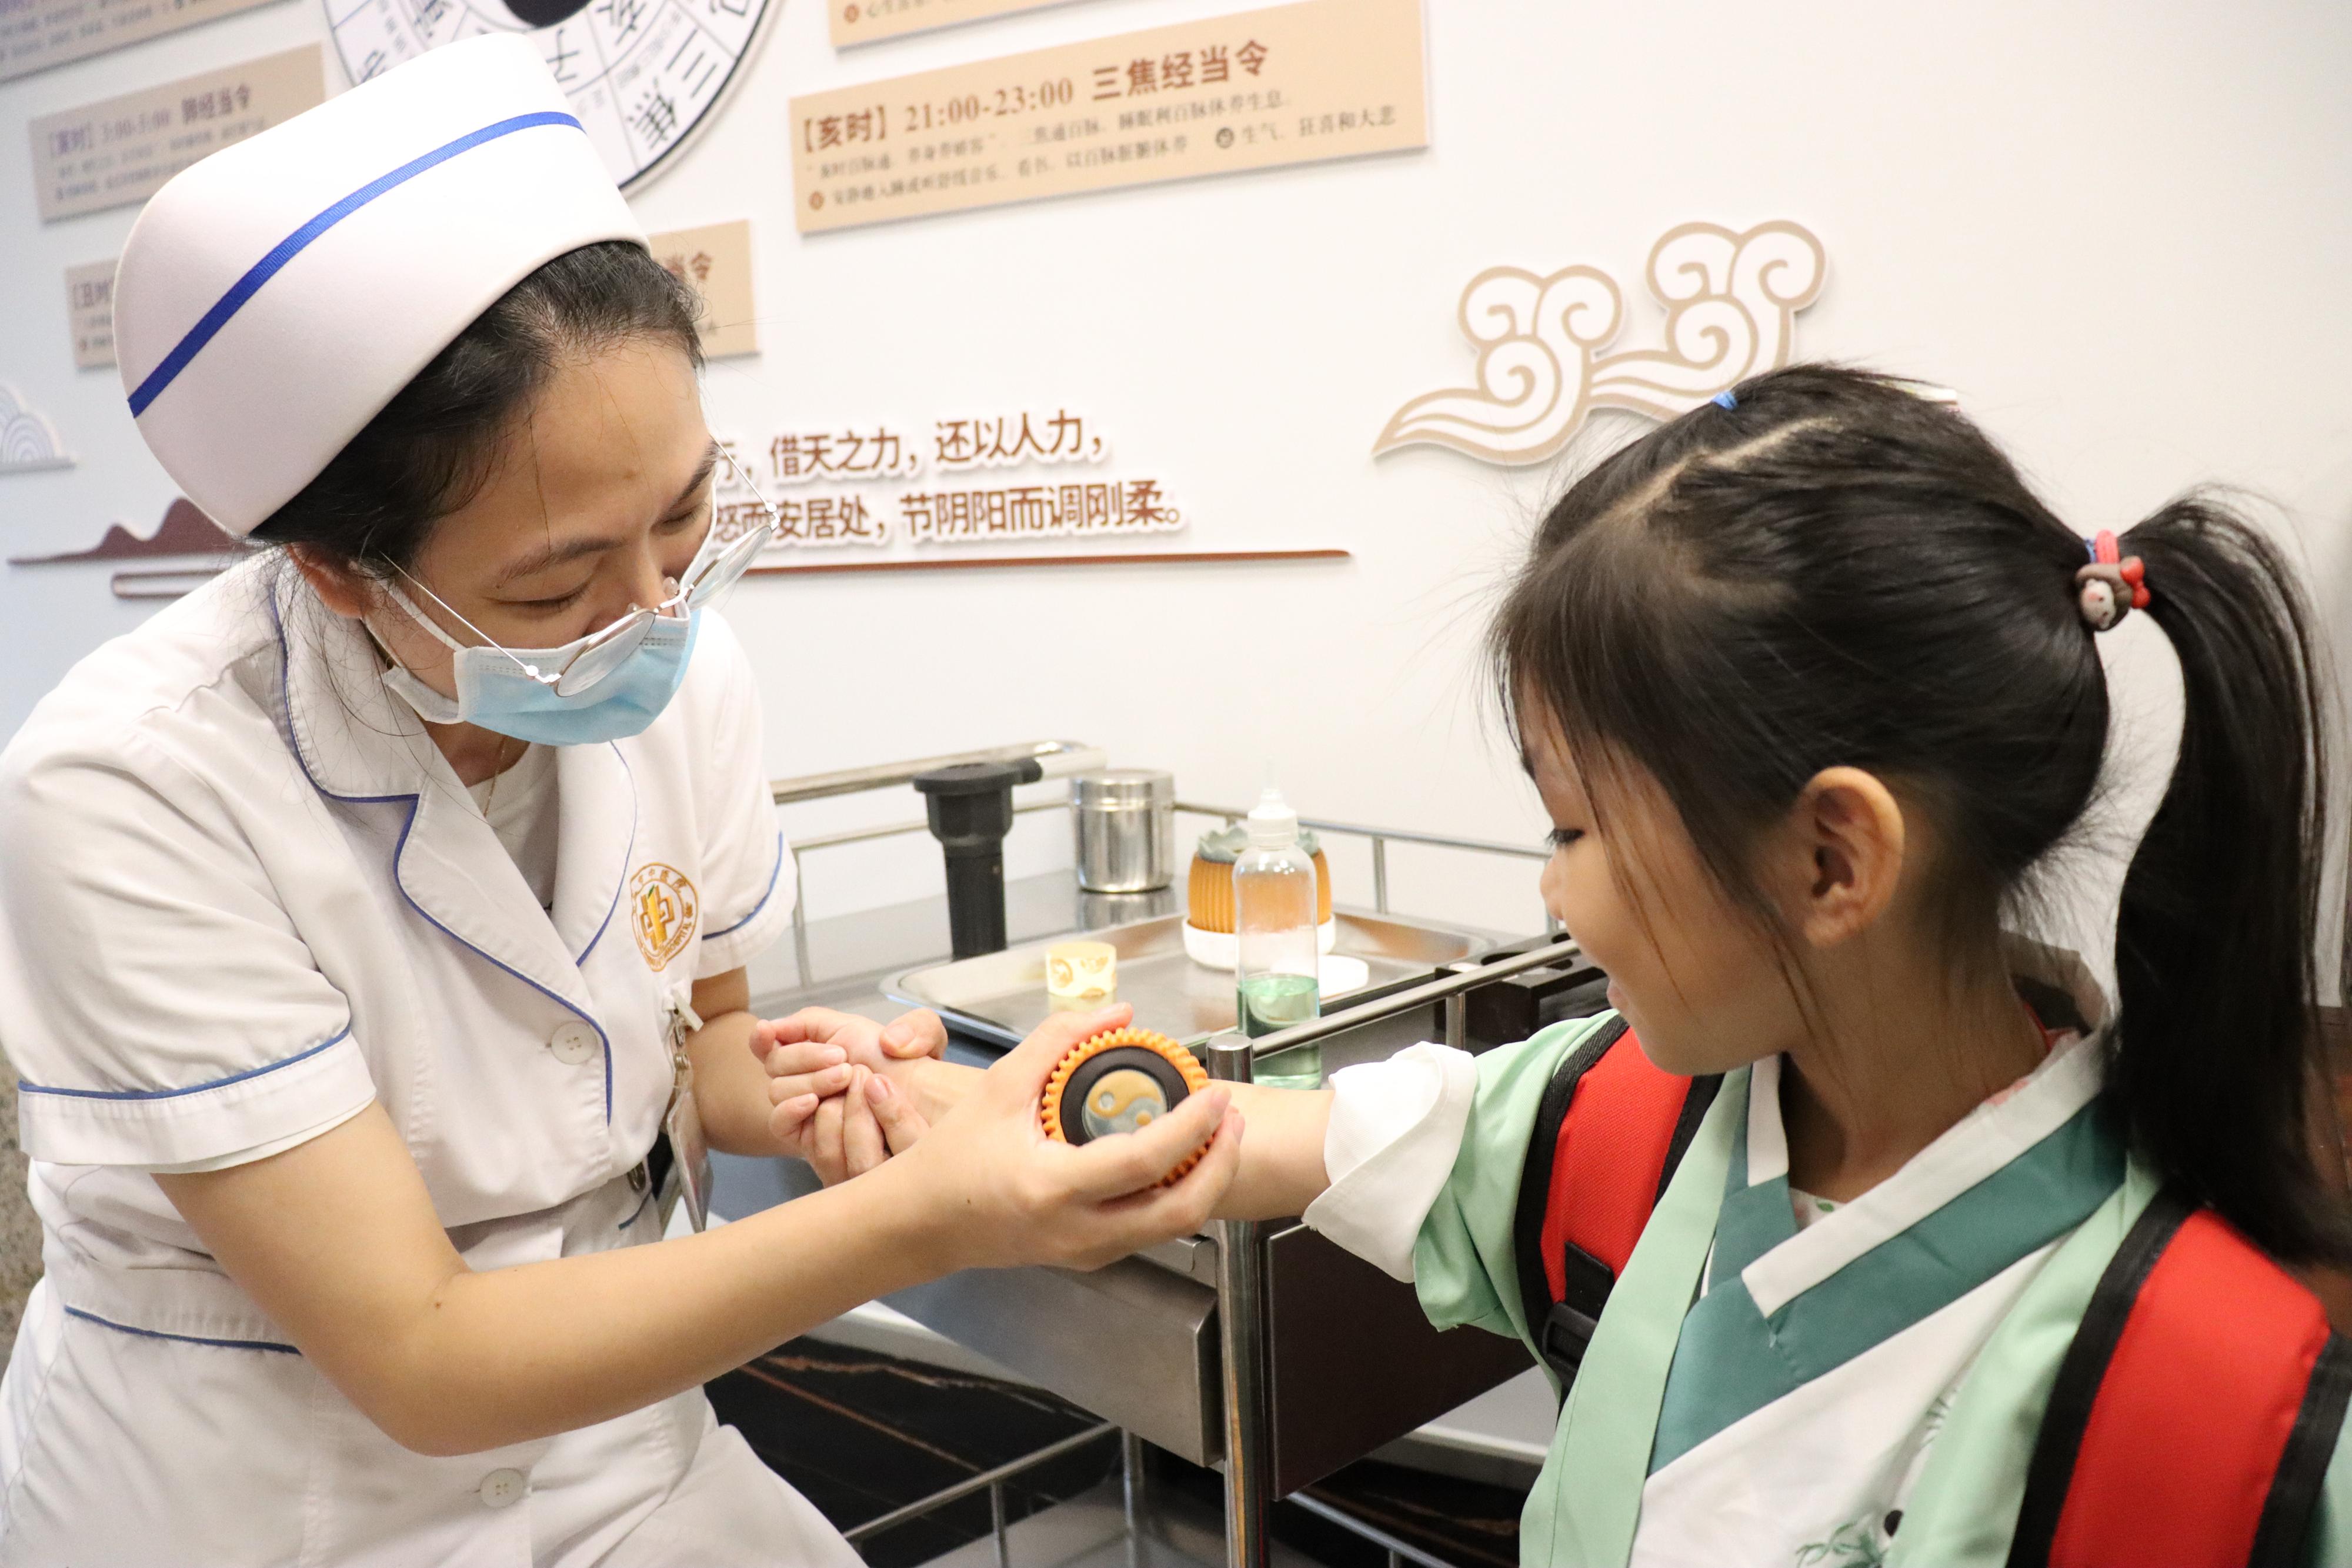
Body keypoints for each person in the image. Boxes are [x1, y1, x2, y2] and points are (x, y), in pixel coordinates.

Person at [0, 37, 1239, 1567]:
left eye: (687, 514)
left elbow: (694, 1042)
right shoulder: (133, 785)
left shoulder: (679, 669)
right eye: (555, 582)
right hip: (275, 1494)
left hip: (622, 1449)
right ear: (336, 570)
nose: (655, 612)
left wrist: (801, 1083)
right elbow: (424, 1355)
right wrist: (933, 1213)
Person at [796, 365, 2352, 1566]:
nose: (1555, 894)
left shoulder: (2203, 1407)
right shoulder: (1614, 1120)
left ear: (1833, 861)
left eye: (1576, 827)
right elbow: (1232, 1133)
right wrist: (961, 1107)